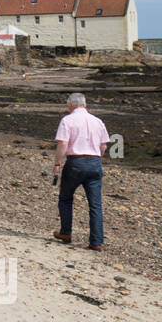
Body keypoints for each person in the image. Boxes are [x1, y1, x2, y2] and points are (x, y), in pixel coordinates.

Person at [52, 92, 109, 250]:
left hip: (75, 162)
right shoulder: (98, 121)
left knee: (65, 198)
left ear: (70, 104)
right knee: (95, 204)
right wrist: (96, 158)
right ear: (85, 104)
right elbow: (103, 145)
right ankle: (96, 242)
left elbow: (63, 144)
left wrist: (57, 163)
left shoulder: (67, 120)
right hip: (95, 162)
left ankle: (66, 232)